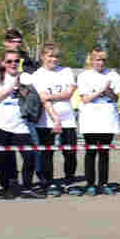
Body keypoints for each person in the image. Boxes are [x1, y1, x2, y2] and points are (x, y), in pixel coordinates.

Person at [25, 43, 78, 195]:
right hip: (46, 120)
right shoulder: (38, 75)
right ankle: (49, 183)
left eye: (56, 56)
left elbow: (68, 93)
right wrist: (55, 119)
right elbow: (43, 100)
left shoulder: (66, 71)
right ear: (43, 56)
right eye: (50, 56)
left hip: (68, 118)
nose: (53, 59)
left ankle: (69, 181)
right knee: (47, 154)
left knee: (70, 152)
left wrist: (50, 95)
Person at [73, 48, 120, 195]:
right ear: (91, 61)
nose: (100, 63)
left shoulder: (112, 74)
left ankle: (103, 183)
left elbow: (116, 97)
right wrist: (101, 90)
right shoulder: (84, 76)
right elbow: (85, 98)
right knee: (91, 152)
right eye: (97, 59)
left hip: (107, 118)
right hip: (90, 118)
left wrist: (108, 91)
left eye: (102, 60)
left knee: (104, 152)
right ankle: (90, 183)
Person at [0, 44, 36, 198]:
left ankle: (27, 187)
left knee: (30, 155)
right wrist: (13, 85)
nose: (13, 64)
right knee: (3, 159)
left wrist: (25, 90)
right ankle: (6, 187)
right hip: (0, 124)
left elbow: (32, 96)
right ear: (3, 63)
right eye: (9, 61)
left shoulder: (25, 77)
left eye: (16, 61)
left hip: (20, 124)